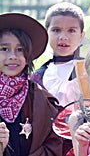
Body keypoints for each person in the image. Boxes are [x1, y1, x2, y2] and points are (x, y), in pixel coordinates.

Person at [0, 13, 63, 155]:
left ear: (28, 56)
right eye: (4, 49)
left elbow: (54, 145)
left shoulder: (41, 100)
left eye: (20, 50)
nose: (12, 56)